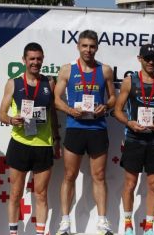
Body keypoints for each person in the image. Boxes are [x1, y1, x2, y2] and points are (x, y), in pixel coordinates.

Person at [54, 29, 116, 235]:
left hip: (97, 128)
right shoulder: (67, 70)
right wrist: (69, 110)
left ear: (97, 47)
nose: (88, 50)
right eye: (84, 46)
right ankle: (65, 222)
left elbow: (113, 98)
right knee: (69, 175)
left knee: (99, 175)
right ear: (78, 47)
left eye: (92, 46)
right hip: (75, 128)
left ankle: (102, 222)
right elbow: (56, 99)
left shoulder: (105, 70)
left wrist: (105, 107)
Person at [0, 42, 61, 235]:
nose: (35, 62)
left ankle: (40, 233)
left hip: (43, 145)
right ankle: (13, 233)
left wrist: (57, 139)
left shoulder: (49, 82)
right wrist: (10, 119)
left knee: (41, 194)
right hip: (20, 144)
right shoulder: (14, 83)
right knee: (16, 194)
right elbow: (1, 113)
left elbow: (52, 113)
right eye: (32, 59)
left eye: (39, 59)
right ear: (24, 60)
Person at [114, 44, 154, 235]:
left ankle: (149, 226)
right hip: (134, 138)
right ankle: (128, 223)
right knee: (130, 184)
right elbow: (117, 110)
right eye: (147, 58)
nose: (150, 62)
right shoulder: (130, 81)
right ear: (139, 59)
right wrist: (130, 123)